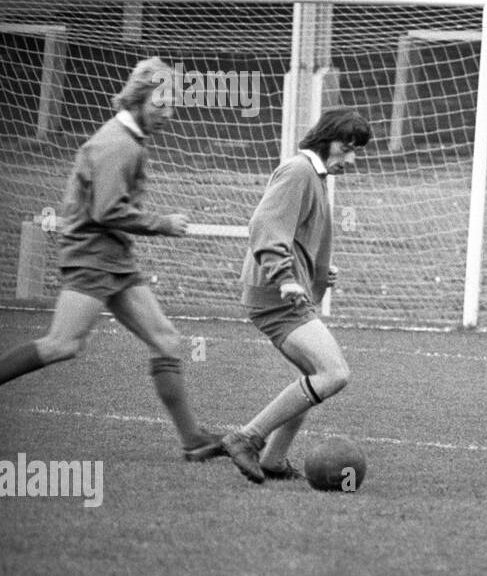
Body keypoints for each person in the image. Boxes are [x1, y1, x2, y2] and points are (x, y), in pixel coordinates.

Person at [0, 57, 225, 461]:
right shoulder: (117, 144)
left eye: (173, 104)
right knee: (63, 344)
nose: (168, 113)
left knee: (166, 340)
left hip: (115, 257)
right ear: (139, 98)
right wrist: (163, 223)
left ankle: (194, 441)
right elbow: (106, 211)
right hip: (91, 257)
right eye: (161, 103)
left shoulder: (129, 139)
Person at [221, 110, 371, 483]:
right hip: (276, 295)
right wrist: (285, 277)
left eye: (355, 152)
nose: (350, 160)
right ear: (324, 139)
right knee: (334, 374)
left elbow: (296, 234)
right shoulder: (299, 171)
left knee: (311, 378)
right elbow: (266, 225)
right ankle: (247, 438)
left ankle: (273, 459)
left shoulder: (315, 177)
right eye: (346, 149)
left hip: (282, 291)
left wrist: (319, 272)